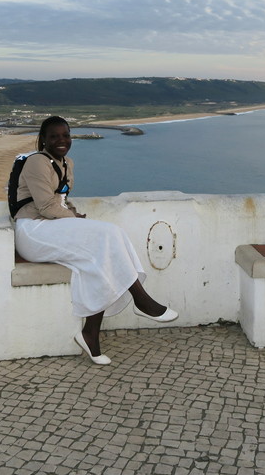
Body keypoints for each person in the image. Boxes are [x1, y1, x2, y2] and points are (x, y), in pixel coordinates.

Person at [13, 115, 178, 365]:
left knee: (103, 251)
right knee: (108, 234)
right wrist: (73, 218)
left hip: (52, 228)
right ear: (43, 140)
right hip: (33, 231)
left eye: (66, 135)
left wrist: (73, 213)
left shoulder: (66, 163)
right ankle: (141, 300)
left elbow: (61, 200)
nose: (62, 140)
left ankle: (90, 334)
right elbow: (46, 206)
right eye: (54, 136)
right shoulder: (37, 162)